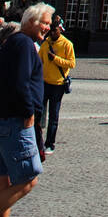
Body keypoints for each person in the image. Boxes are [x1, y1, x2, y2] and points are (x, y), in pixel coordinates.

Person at [0, 1, 53, 217]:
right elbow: (20, 82)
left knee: (4, 179)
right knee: (28, 178)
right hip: (16, 120)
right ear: (32, 21)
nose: (49, 28)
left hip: (5, 118)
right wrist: (29, 112)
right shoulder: (22, 43)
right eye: (45, 23)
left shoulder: (14, 42)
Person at [38, 19, 75, 153]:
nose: (52, 33)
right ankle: (38, 142)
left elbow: (71, 63)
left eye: (55, 30)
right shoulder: (45, 44)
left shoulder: (67, 44)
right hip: (44, 83)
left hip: (58, 84)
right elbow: (38, 61)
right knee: (38, 114)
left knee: (53, 116)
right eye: (51, 30)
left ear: (60, 30)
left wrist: (55, 59)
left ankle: (50, 144)